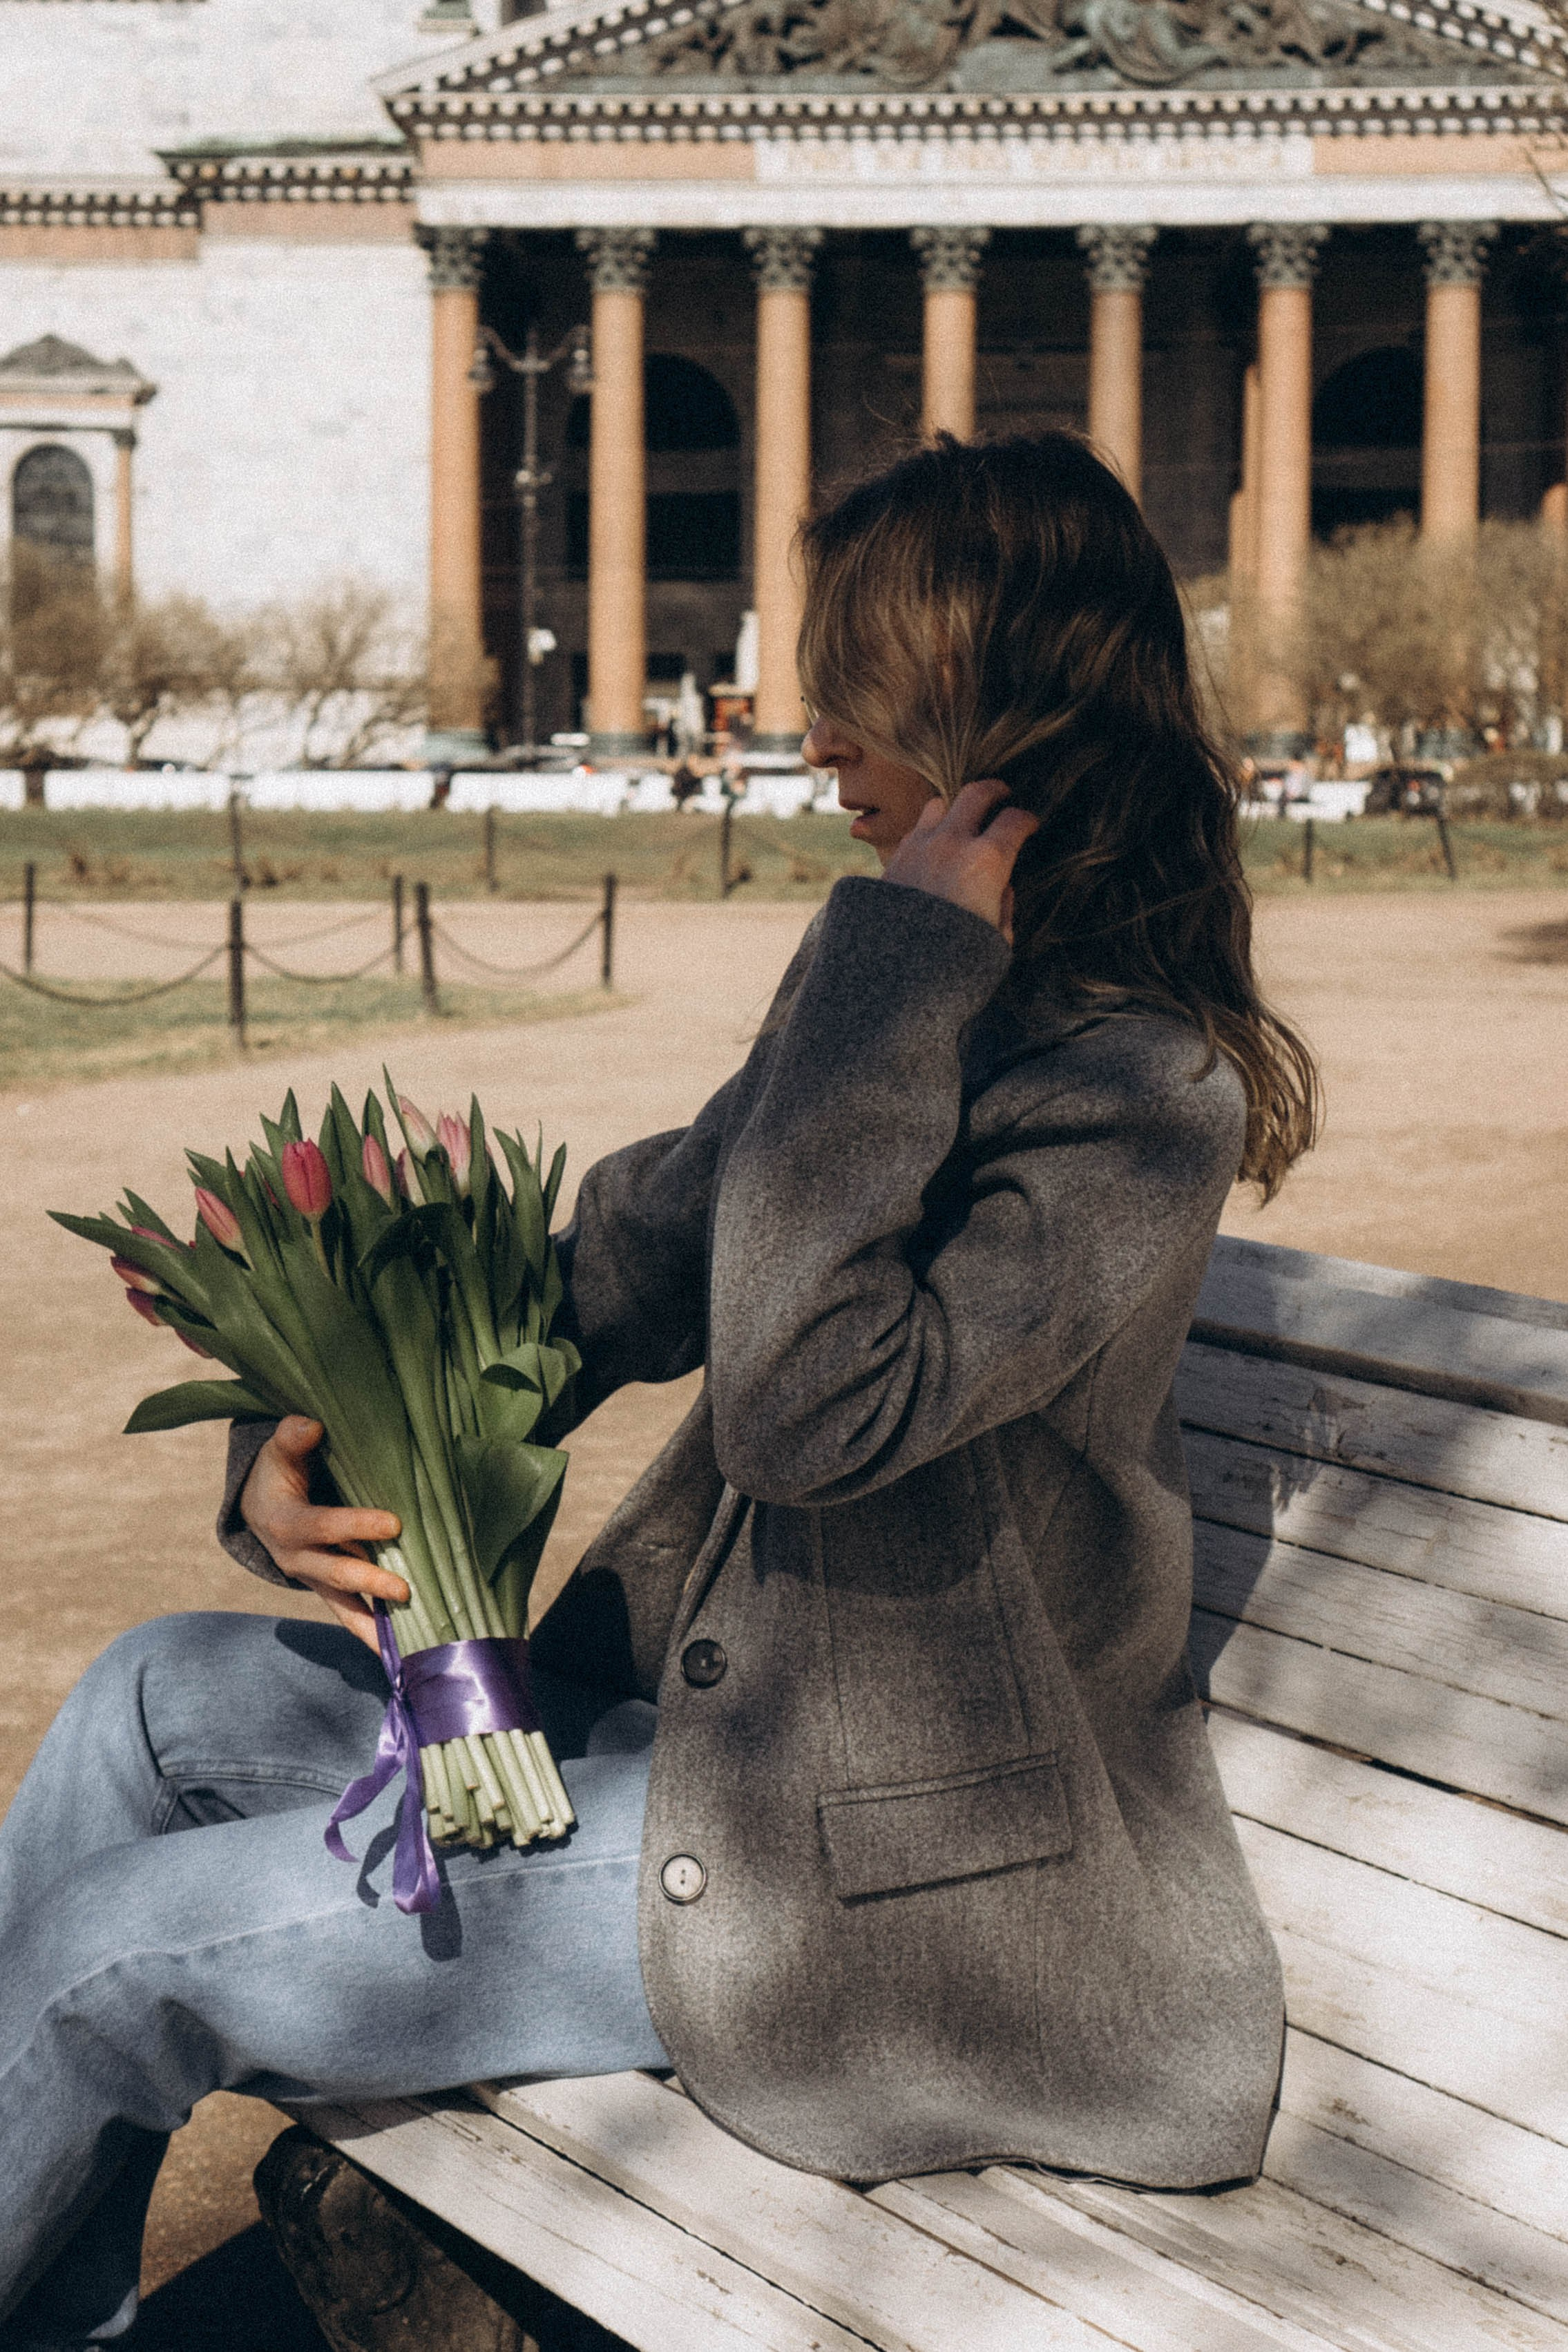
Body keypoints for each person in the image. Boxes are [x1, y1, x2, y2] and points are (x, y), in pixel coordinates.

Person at [0, 432, 1317, 2349]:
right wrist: (307, 1436)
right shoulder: (907, 992)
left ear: (994, 694)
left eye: (852, 682)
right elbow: (628, 1253)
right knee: (141, 1706)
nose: (807, 736)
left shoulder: (1138, 1100)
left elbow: (805, 1402)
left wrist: (895, 978)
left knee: (113, 1965)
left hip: (884, 1882)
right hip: (699, 1754)